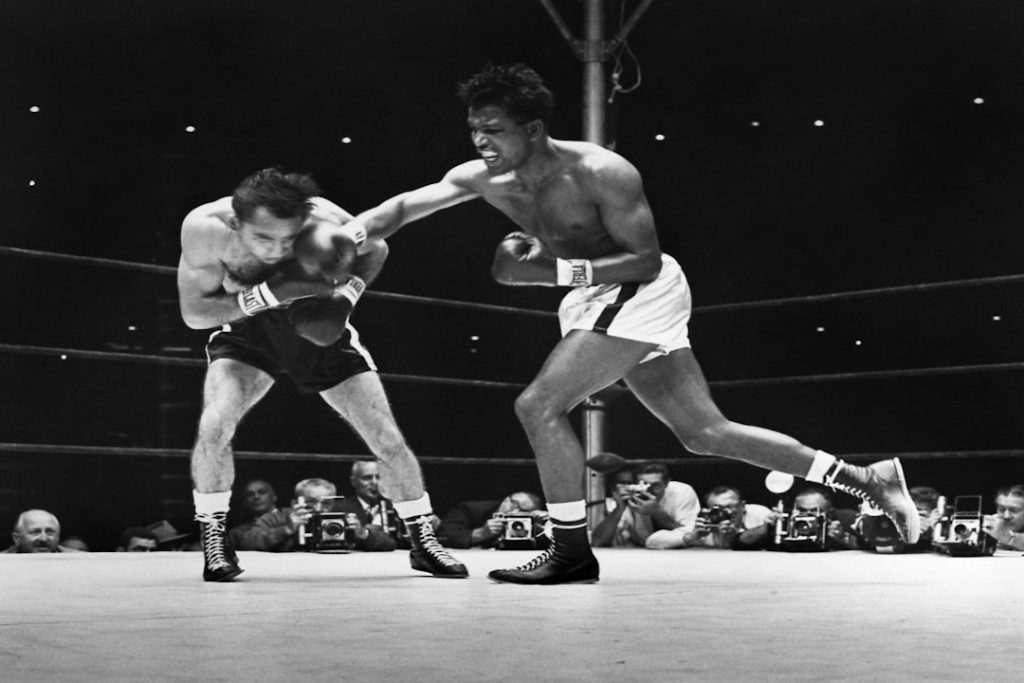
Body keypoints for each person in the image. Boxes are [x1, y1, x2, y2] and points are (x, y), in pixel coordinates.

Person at [311, 63, 920, 583]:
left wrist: (546, 276)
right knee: (704, 432)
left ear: (534, 128)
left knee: (538, 406)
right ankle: (862, 476)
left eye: (494, 130)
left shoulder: (602, 171)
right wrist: (348, 235)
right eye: (474, 129)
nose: (481, 141)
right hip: (595, 298)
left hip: (640, 288)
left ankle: (571, 550)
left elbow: (644, 258)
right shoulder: (481, 178)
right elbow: (401, 209)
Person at [177, 167, 466, 581]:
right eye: (263, 238)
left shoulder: (327, 221)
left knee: (385, 437)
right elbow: (194, 314)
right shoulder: (206, 228)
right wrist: (270, 293)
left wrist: (343, 302)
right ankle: (215, 539)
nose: (277, 250)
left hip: (315, 324)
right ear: (237, 223)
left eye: (288, 239)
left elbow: (376, 249)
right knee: (214, 424)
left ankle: (422, 538)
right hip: (246, 331)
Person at [591, 464, 698, 549]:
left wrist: (657, 513)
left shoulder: (681, 492)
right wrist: (619, 509)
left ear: (666, 483)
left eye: (655, 485)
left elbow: (692, 536)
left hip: (682, 556)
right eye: (644, 484)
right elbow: (598, 542)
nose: (649, 490)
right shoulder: (631, 496)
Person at [237, 477, 333, 552]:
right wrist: (286, 529)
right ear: (294, 504)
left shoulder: (338, 520)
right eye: (311, 502)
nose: (318, 509)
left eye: (326, 503)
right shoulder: (276, 517)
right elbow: (247, 542)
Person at [438, 491, 548, 550]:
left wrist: (548, 527)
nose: (515, 512)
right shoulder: (470, 510)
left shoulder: (535, 524)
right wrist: (480, 533)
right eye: (514, 504)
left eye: (524, 511)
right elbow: (443, 536)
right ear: (506, 500)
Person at [334, 461, 403, 552]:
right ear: (353, 482)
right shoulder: (339, 508)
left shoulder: (396, 508)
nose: (374, 482)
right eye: (367, 478)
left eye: (379, 478)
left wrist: (364, 533)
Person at [681, 485, 776, 550]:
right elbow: (669, 541)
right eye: (720, 508)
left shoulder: (759, 514)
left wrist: (738, 535)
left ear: (742, 506)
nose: (728, 512)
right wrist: (692, 537)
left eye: (731, 506)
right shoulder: (705, 522)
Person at [229, 479, 282, 550]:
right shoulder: (236, 534)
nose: (256, 497)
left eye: (262, 492)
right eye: (250, 495)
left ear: (274, 497)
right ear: (245, 502)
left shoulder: (291, 519)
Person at [2, 509, 82, 553]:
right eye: (35, 532)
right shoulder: (3, 563)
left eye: (50, 532)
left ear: (58, 537)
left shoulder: (80, 561)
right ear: (17, 539)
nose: (43, 539)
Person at [982, 484, 1024, 552]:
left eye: (1014, 510)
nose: (1006, 516)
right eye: (1001, 509)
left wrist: (1009, 538)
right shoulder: (989, 529)